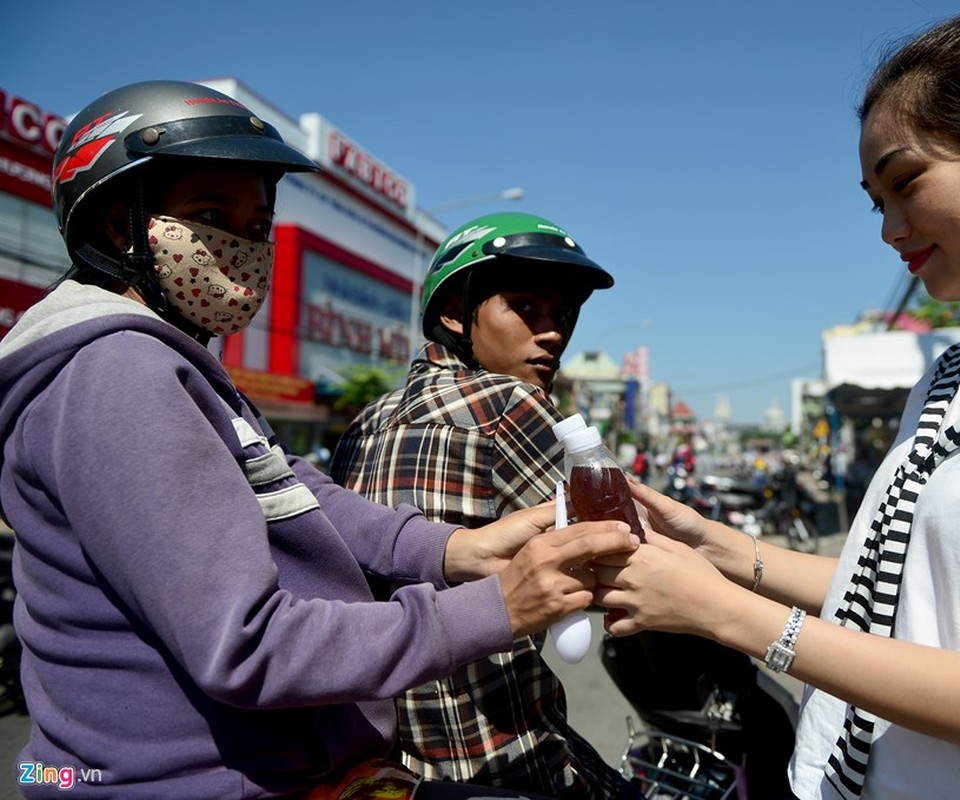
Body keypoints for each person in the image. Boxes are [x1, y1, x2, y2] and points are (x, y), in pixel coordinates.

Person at [591, 10, 960, 800]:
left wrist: (728, 615)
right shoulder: (955, 369)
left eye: (905, 182)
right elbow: (901, 582)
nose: (888, 228)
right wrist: (716, 548)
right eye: (874, 200)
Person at [0, 79, 639, 799]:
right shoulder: (118, 372)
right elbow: (246, 646)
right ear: (121, 227)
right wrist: (497, 607)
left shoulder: (178, 366)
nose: (241, 248)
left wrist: (452, 550)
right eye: (212, 216)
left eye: (257, 225)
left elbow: (289, 487)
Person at [331, 213, 639, 799]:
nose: (551, 333)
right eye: (525, 307)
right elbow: (625, 545)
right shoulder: (509, 403)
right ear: (455, 315)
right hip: (502, 755)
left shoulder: (362, 423)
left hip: (381, 764)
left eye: (563, 315)